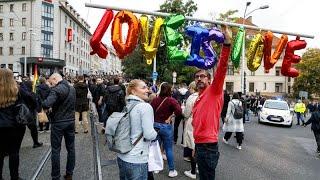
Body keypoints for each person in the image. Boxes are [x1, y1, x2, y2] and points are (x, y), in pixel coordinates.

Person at [191, 25, 232, 180]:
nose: (200, 79)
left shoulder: (214, 91)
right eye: (197, 77)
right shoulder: (198, 98)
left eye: (203, 76)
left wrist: (226, 44)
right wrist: (196, 146)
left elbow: (221, 67)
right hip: (201, 146)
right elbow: (197, 123)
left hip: (208, 147)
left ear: (209, 79)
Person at [117, 79, 157, 180]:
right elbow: (149, 135)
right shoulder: (145, 107)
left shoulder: (127, 105)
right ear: (133, 92)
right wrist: (156, 133)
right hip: (137, 158)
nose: (147, 90)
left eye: (147, 87)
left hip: (122, 156)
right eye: (143, 88)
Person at [0, 69, 33, 180]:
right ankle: (14, 177)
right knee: (14, 152)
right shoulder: (17, 89)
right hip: (15, 126)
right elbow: (31, 99)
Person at [42, 73, 76, 180]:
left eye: (51, 82)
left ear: (55, 79)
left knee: (56, 150)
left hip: (58, 122)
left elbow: (46, 104)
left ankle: (55, 176)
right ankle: (69, 173)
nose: (51, 84)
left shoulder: (56, 90)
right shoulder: (72, 89)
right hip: (70, 121)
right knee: (71, 148)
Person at [151, 82, 182, 177]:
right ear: (169, 90)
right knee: (168, 149)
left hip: (155, 126)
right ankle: (171, 170)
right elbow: (179, 111)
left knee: (155, 147)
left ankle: (156, 168)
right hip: (166, 126)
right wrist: (171, 117)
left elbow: (151, 111)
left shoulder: (155, 100)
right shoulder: (171, 100)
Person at [20, 79, 43, 148]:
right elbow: (34, 103)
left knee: (21, 129)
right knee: (33, 128)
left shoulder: (20, 91)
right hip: (29, 112)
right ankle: (35, 142)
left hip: (20, 112)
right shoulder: (30, 93)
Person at [182, 82, 198, 179]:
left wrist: (184, 112)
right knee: (200, 146)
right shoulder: (205, 95)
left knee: (193, 146)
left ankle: (193, 171)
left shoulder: (192, 97)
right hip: (203, 123)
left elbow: (187, 113)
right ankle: (199, 167)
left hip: (193, 122)